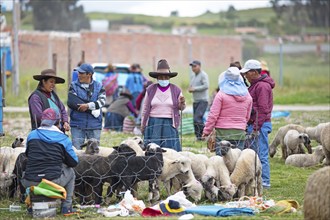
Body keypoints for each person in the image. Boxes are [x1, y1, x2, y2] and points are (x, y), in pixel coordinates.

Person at [21, 108, 78, 215]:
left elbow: (28, 155)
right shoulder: (63, 138)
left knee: (27, 170)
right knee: (70, 172)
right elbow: (73, 162)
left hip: (30, 180)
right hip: (52, 180)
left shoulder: (32, 135)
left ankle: (30, 206)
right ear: (58, 122)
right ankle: (67, 207)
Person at [240, 59, 275, 189]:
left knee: (261, 154)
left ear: (254, 72)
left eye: (247, 73)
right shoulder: (255, 85)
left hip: (260, 125)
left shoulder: (262, 86)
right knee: (253, 154)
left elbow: (263, 109)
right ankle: (255, 179)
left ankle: (265, 181)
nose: (245, 76)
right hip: (254, 124)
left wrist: (255, 128)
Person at [202, 67, 252, 154]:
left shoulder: (221, 95)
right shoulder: (247, 96)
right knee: (237, 160)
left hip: (222, 133)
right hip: (239, 132)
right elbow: (247, 116)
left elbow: (213, 115)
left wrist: (206, 131)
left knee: (221, 161)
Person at [141, 59, 186, 151]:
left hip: (169, 123)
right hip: (154, 123)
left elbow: (181, 108)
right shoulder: (150, 89)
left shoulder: (176, 90)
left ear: (169, 78)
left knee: (170, 151)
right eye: (161, 77)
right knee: (153, 151)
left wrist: (182, 103)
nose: (163, 79)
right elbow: (145, 109)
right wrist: (143, 125)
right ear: (157, 78)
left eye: (166, 77)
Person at [67, 63, 106, 149]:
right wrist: (93, 108)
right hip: (77, 124)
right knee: (76, 151)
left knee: (94, 152)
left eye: (81, 73)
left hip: (94, 125)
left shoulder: (99, 86)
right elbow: (72, 102)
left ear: (89, 74)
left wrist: (87, 106)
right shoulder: (73, 86)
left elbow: (102, 101)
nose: (79, 75)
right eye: (78, 72)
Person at [188, 60, 209, 141]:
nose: (193, 68)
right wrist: (190, 88)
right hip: (195, 101)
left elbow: (206, 85)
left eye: (195, 66)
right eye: (192, 67)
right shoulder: (193, 76)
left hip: (203, 100)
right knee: (195, 120)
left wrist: (195, 89)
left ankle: (205, 134)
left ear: (199, 66)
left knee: (198, 118)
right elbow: (192, 86)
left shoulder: (203, 75)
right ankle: (198, 137)